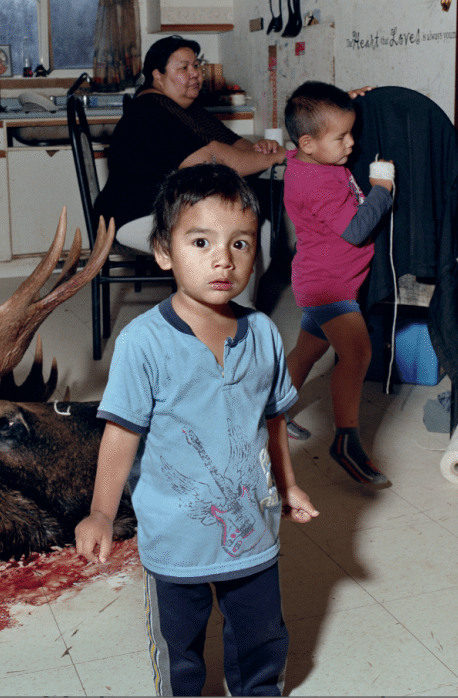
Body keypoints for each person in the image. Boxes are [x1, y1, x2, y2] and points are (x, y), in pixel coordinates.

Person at [76, 163, 318, 697]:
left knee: (261, 638)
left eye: (241, 244)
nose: (222, 260)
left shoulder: (264, 335)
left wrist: (288, 483)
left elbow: (272, 420)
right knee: (180, 650)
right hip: (175, 536)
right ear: (164, 250)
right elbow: (121, 434)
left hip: (253, 529)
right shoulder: (144, 343)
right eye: (201, 240)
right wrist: (100, 510)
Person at [93, 35, 286, 305]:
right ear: (157, 76)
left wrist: (262, 149)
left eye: (196, 66)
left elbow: (232, 142)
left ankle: (236, 310)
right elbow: (215, 158)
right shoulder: (152, 110)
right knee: (232, 235)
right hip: (132, 216)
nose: (195, 74)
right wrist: (274, 157)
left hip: (168, 208)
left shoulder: (185, 108)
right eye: (183, 68)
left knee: (256, 227)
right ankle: (231, 318)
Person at [281, 81, 395, 486]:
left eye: (351, 133)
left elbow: (317, 124)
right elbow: (355, 230)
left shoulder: (308, 158)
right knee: (358, 355)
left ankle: (270, 416)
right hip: (329, 285)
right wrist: (382, 189)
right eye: (341, 137)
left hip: (322, 278)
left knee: (308, 351)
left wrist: (342, 103)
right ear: (308, 142)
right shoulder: (318, 183)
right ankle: (345, 442)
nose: (350, 144)